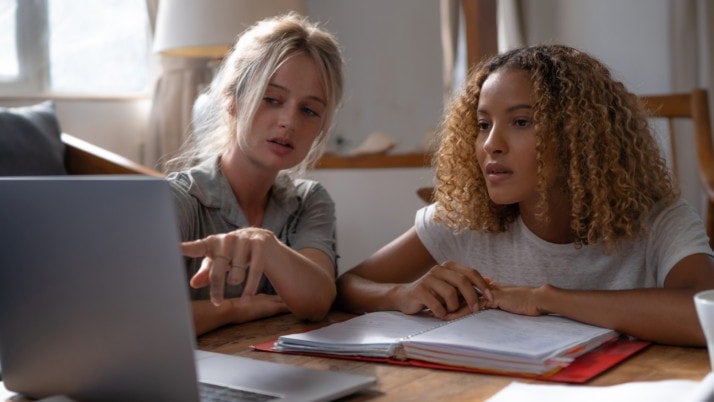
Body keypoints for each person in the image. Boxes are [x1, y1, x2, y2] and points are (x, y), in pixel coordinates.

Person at [335, 44, 714, 346]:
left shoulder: (659, 219)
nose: (490, 145)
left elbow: (705, 313)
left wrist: (545, 298)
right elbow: (348, 286)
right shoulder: (462, 217)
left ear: (578, 137)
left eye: (521, 122)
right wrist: (402, 293)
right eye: (483, 125)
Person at [165, 13, 344, 336]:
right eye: (272, 99)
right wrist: (235, 309)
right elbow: (143, 321)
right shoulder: (177, 200)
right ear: (232, 101)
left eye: (308, 110)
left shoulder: (309, 200)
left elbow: (317, 301)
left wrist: (264, 243)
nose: (289, 121)